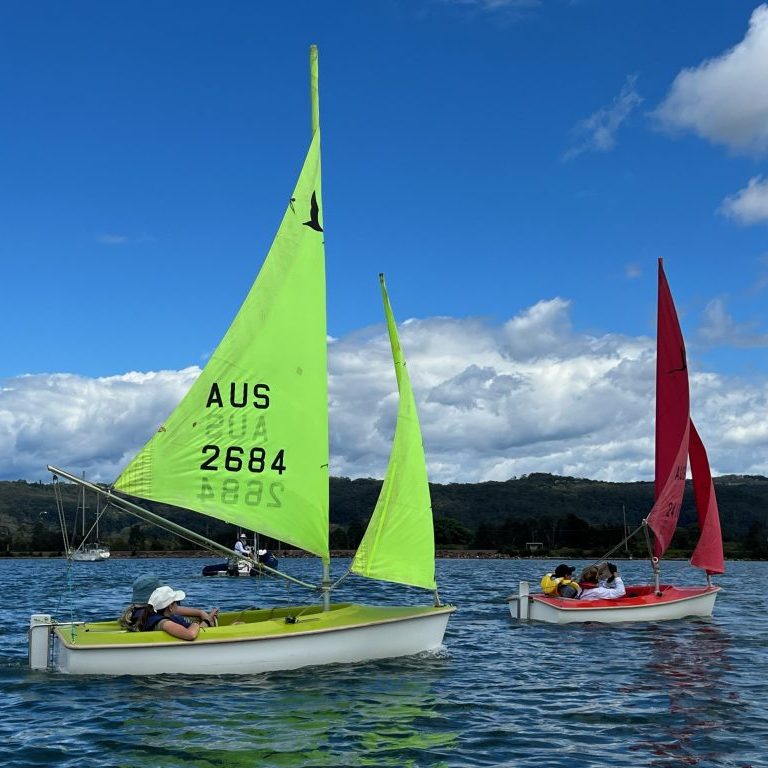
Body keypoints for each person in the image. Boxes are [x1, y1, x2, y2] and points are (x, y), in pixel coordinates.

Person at [119, 573, 219, 630]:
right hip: (198, 629)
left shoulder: (141, 612)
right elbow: (191, 634)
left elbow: (178, 610)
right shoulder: (156, 619)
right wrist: (208, 621)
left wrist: (201, 613)